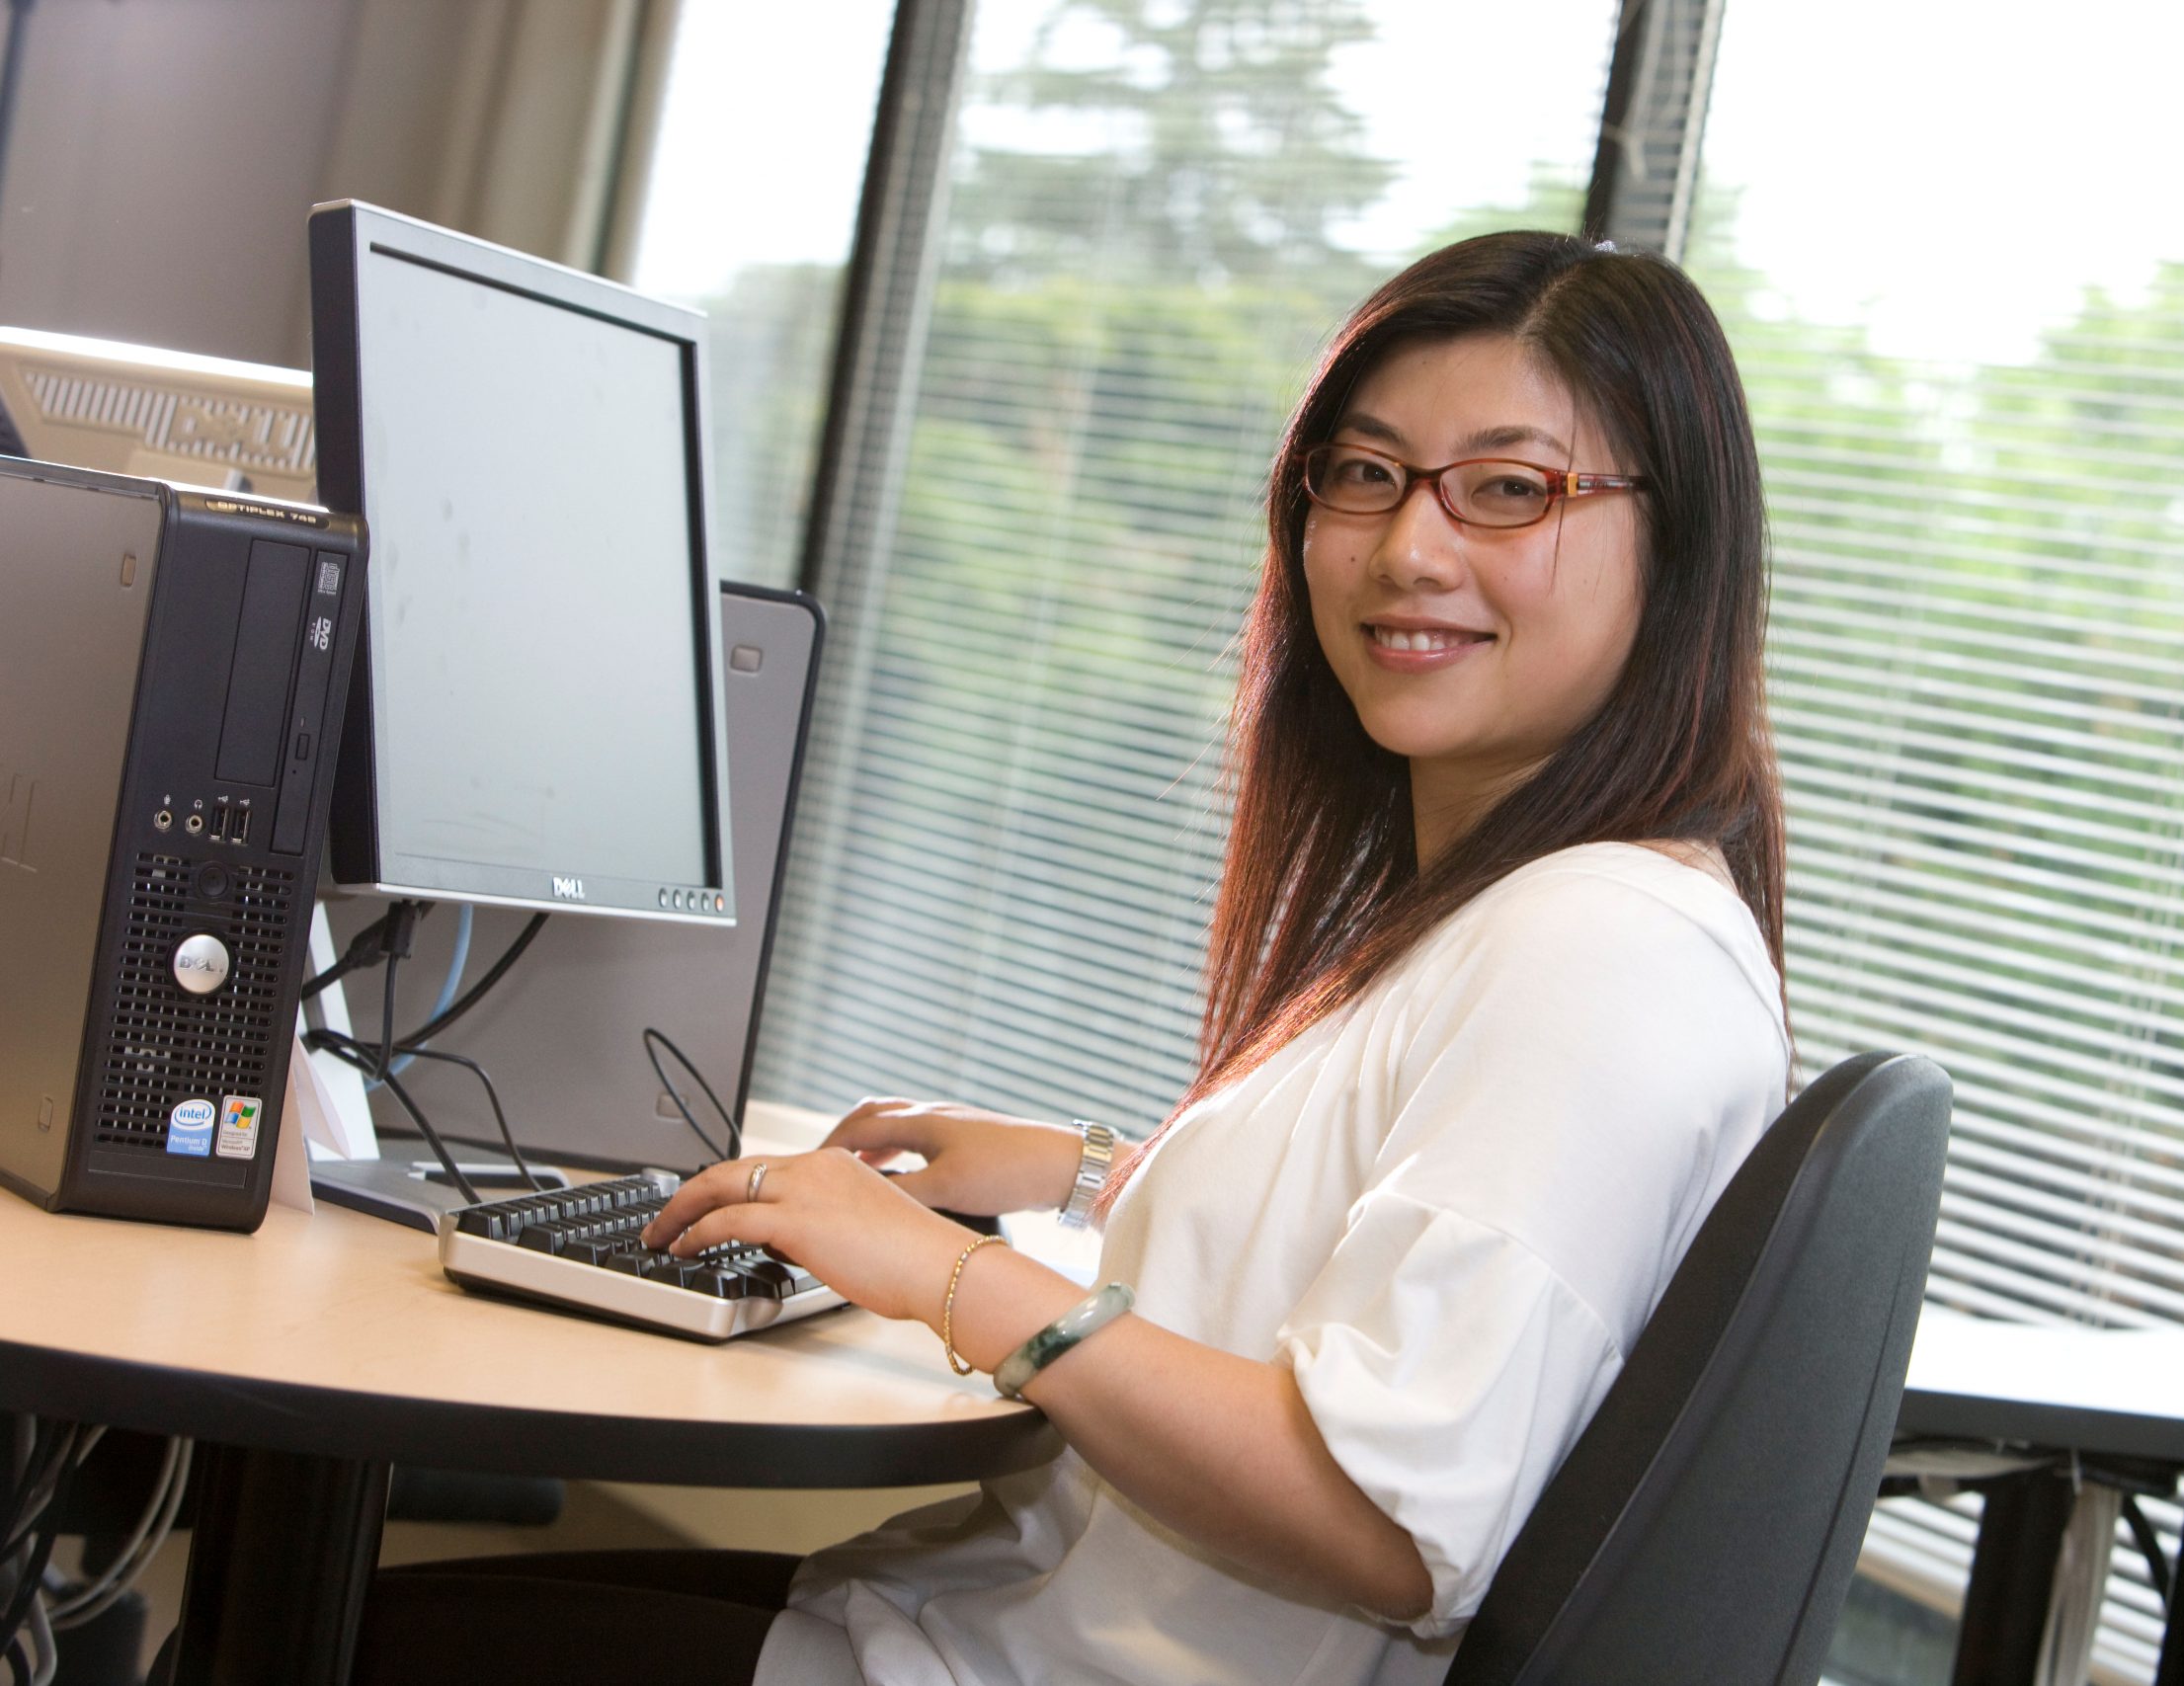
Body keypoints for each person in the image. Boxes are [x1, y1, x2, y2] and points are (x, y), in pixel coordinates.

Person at [352, 228, 1792, 1686]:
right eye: (1362, 475)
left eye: (1509, 489)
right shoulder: (1524, 908)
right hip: (973, 1629)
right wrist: (1089, 1172)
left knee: (340, 1640)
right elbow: (1374, 1236)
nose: (1410, 547)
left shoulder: (1604, 951)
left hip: (1003, 1666)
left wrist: (936, 1274)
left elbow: (1376, 1520)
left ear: (1676, 550)